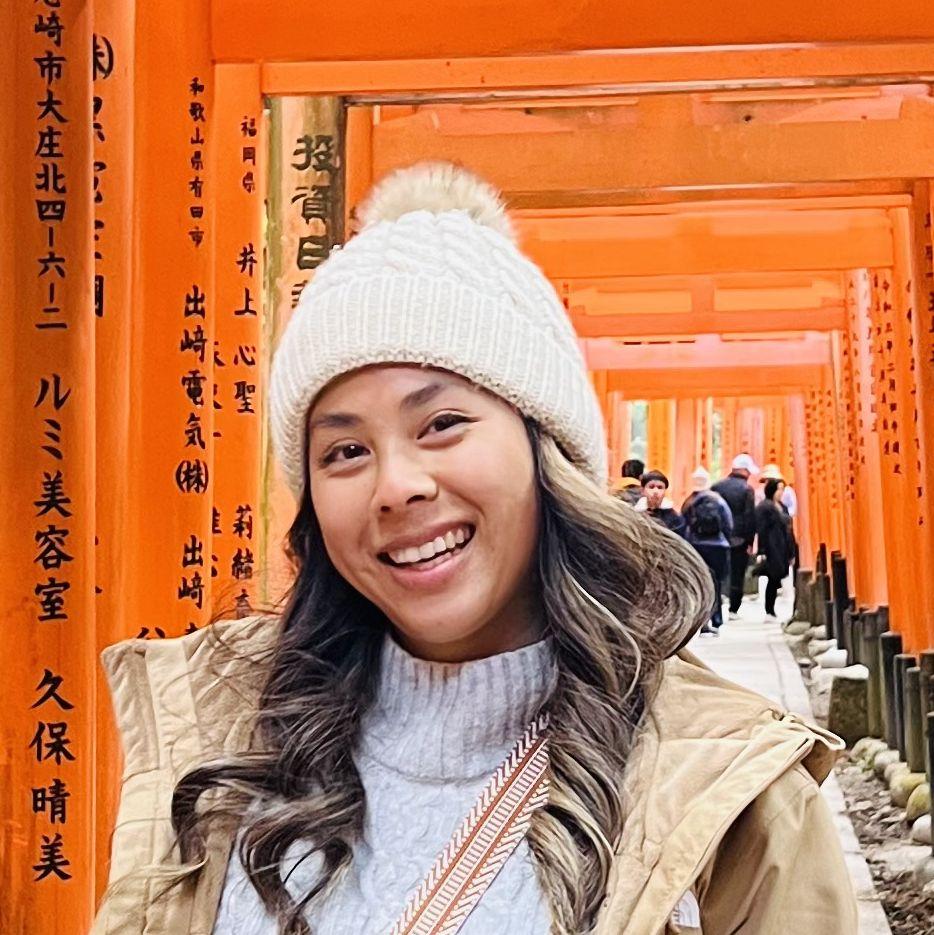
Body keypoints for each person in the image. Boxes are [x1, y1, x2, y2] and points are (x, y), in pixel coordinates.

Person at [92, 164, 856, 935]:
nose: (396, 486)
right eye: (345, 451)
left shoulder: (732, 798)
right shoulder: (216, 737)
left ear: (544, 445)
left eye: (442, 424)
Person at [682, 466, 733, 636]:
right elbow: (728, 523)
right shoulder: (718, 500)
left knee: (700, 584)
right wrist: (725, 540)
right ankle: (717, 620)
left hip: (697, 546)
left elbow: (685, 525)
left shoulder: (689, 502)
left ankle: (702, 622)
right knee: (716, 584)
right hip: (718, 546)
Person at [711, 454, 758, 621]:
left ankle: (716, 605)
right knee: (738, 574)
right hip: (740, 538)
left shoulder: (716, 487)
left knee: (717, 573)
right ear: (745, 471)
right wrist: (750, 541)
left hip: (718, 537)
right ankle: (733, 609)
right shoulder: (747, 489)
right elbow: (749, 517)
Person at [756, 478, 795, 622]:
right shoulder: (764, 507)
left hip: (783, 546)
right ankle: (769, 610)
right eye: (778, 489)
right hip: (772, 546)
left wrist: (791, 551)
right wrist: (761, 550)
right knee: (772, 578)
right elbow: (761, 530)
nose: (781, 492)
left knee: (776, 578)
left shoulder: (782, 506)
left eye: (782, 489)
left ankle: (771, 610)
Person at [635, 469, 687, 538]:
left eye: (660, 487)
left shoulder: (675, 519)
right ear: (643, 490)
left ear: (665, 491)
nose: (655, 491)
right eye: (651, 487)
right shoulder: (635, 515)